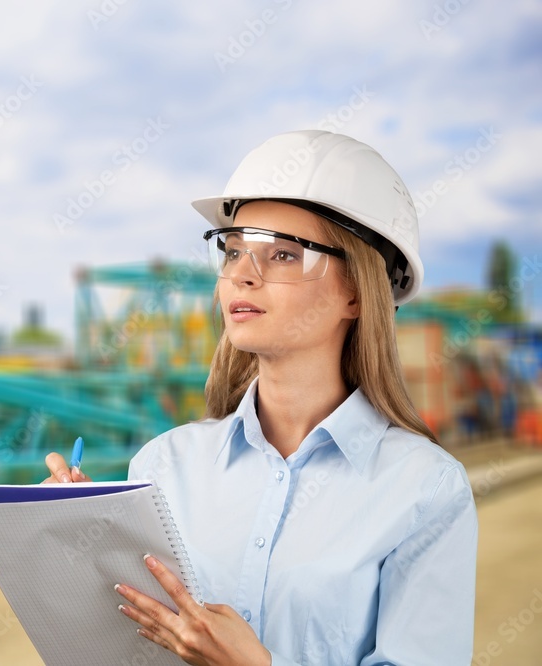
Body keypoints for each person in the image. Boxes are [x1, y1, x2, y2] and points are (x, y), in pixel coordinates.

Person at [43, 130, 478, 665]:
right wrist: (68, 548)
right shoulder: (163, 465)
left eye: (282, 255)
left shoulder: (425, 491)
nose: (242, 276)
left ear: (358, 292)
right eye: (232, 251)